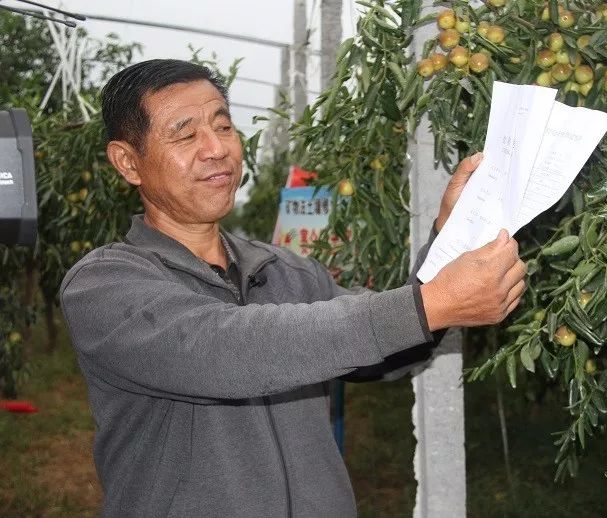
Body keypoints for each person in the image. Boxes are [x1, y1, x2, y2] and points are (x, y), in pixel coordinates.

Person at [59, 59, 527, 518]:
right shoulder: (104, 286)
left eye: (223, 127)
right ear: (128, 162)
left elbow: (389, 348)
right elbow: (227, 349)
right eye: (185, 135)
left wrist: (451, 238)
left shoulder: (286, 271)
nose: (216, 148)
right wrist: (433, 304)